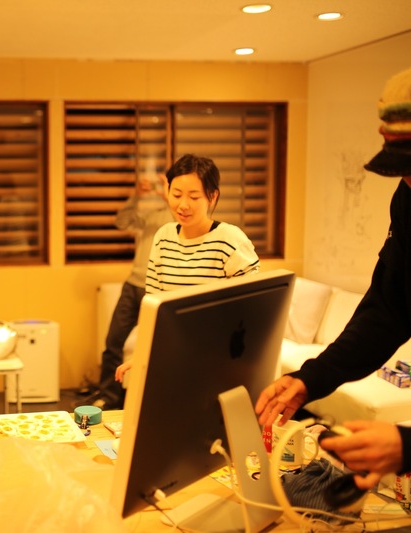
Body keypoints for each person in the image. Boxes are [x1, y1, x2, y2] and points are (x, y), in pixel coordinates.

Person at [256, 67, 411, 491]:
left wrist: (408, 446)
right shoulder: (408, 198)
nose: (408, 179)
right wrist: (310, 378)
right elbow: (388, 310)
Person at [113, 153, 261, 381]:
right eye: (176, 194)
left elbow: (255, 306)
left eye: (194, 196)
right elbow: (154, 307)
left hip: (219, 359)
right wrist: (143, 355)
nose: (183, 205)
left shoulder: (230, 239)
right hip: (174, 356)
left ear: (212, 196)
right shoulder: (163, 237)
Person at [91, 173, 173, 410]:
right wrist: (137, 195)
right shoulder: (153, 215)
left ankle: (151, 400)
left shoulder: (181, 218)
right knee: (113, 342)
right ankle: (108, 397)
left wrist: (169, 198)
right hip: (133, 284)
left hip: (159, 289)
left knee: (157, 347)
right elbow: (122, 222)